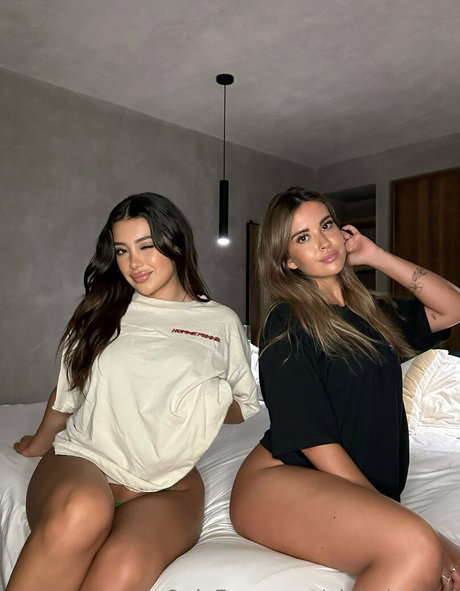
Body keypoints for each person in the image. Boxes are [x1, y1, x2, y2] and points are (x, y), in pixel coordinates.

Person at [8, 192, 259, 591]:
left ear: (176, 243)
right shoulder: (101, 310)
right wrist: (38, 444)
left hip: (169, 485)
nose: (134, 263)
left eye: (146, 246)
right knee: (80, 513)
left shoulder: (220, 322)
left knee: (121, 568)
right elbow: (68, 391)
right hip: (86, 460)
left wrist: (203, 400)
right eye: (122, 250)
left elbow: (245, 405)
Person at [230, 187, 460, 591]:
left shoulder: (373, 312)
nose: (323, 242)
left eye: (326, 226)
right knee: (418, 548)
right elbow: (313, 440)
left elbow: (452, 307)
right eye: (303, 237)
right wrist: (398, 517)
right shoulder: (287, 321)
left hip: (345, 485)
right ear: (288, 260)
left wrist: (375, 255)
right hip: (281, 479)